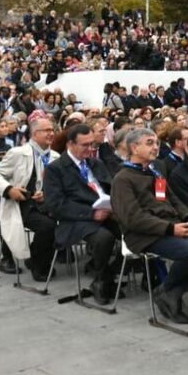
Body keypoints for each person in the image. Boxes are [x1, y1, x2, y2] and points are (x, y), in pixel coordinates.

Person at [111, 127, 188, 325]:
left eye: (157, 143)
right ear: (134, 148)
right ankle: (169, 292)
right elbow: (133, 218)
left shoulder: (155, 171)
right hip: (144, 235)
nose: (156, 147)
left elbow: (173, 199)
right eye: (150, 143)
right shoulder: (123, 179)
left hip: (171, 227)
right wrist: (171, 229)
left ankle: (169, 292)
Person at [43, 123, 122, 304]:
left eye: (92, 144)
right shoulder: (56, 169)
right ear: (71, 144)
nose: (90, 149)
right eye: (85, 145)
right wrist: (91, 214)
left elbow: (109, 187)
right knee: (104, 238)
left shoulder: (95, 163)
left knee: (135, 230)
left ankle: (111, 273)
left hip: (107, 211)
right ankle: (101, 279)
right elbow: (55, 205)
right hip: (76, 218)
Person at [0, 117, 58, 278]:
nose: (51, 133)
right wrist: (9, 189)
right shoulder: (18, 153)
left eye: (52, 130)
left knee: (62, 221)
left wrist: (46, 194)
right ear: (34, 134)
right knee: (47, 226)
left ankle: (36, 257)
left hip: (46, 204)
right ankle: (38, 265)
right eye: (47, 130)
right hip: (22, 204)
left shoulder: (55, 156)